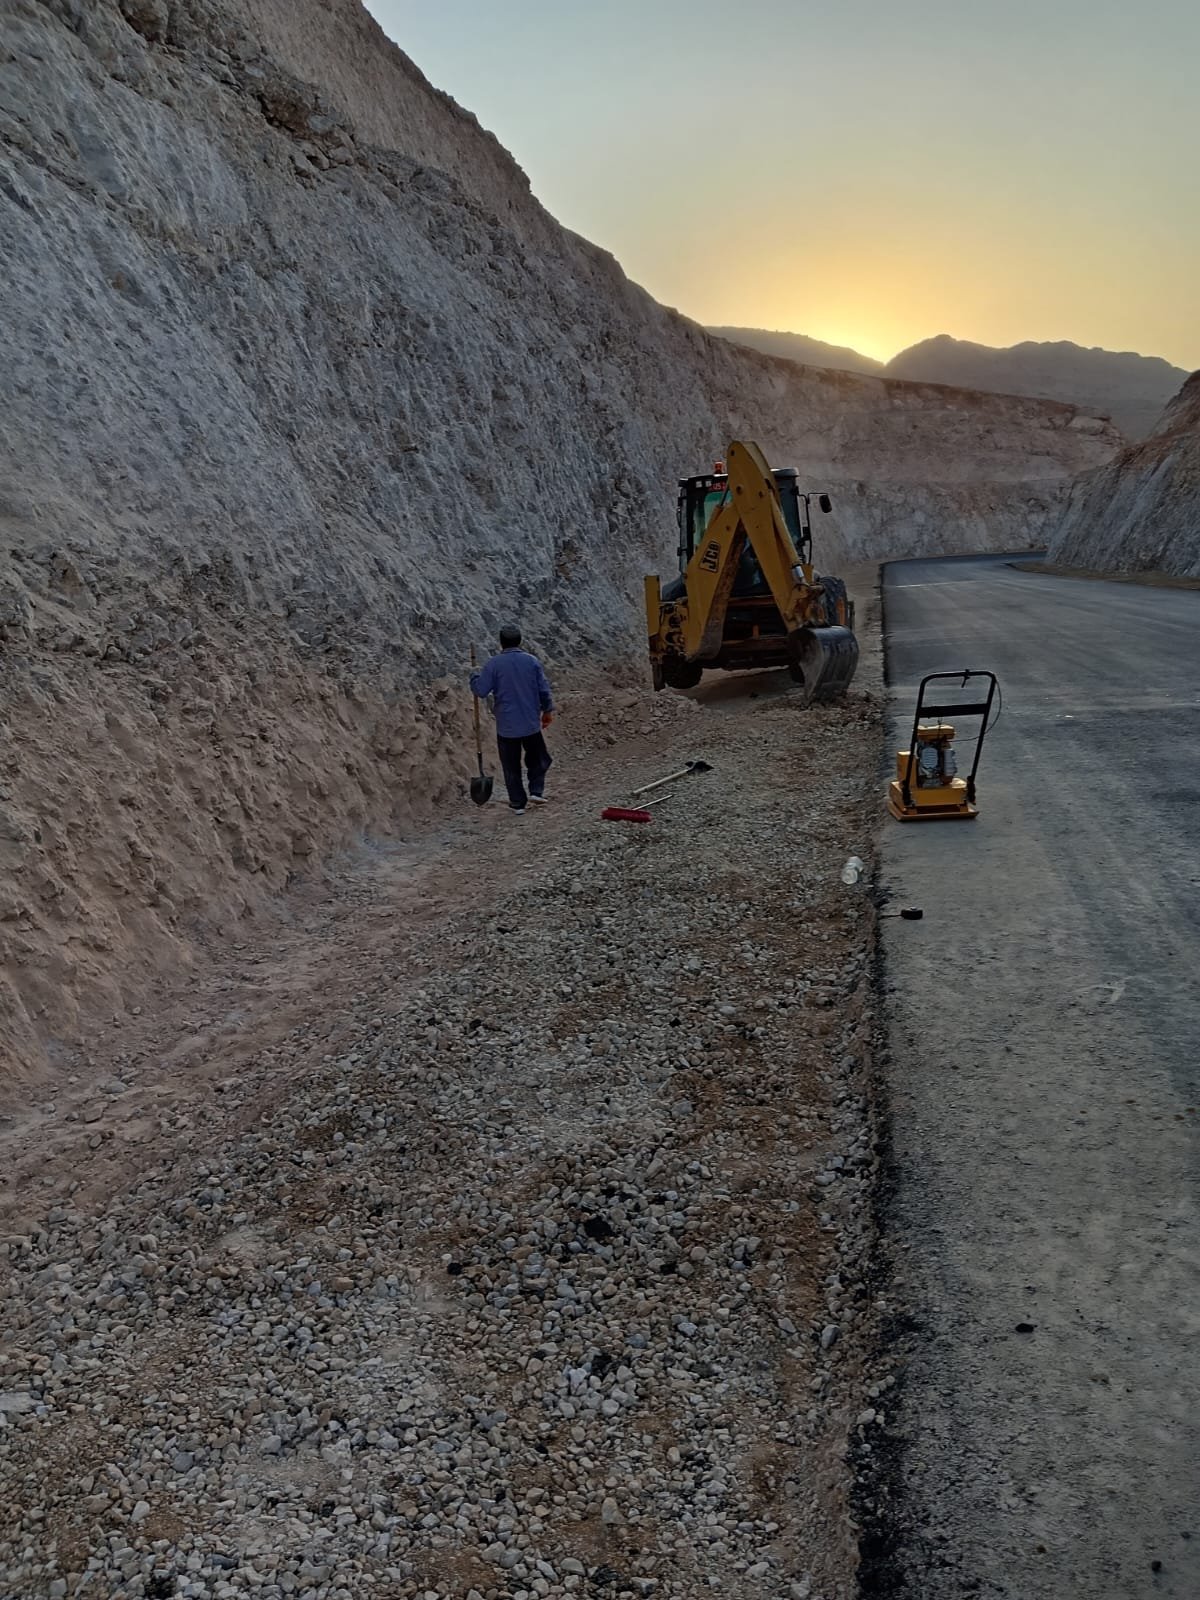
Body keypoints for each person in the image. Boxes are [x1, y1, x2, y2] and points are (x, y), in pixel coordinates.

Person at [469, 625, 555, 814]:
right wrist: (547, 710)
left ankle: (517, 803)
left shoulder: (493, 664)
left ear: (501, 643)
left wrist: (474, 676)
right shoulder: (531, 661)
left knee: (511, 766)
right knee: (539, 759)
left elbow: (481, 690)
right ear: (520, 641)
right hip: (530, 723)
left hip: (507, 726)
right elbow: (543, 689)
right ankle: (536, 791)